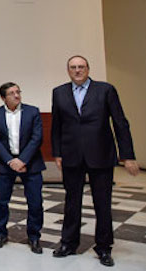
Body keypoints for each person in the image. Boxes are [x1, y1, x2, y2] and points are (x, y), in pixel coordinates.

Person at [51, 55, 138, 267]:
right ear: (68, 70)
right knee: (72, 202)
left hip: (101, 155)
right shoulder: (59, 92)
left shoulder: (106, 90)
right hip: (72, 156)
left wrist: (127, 155)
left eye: (81, 67)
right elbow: (57, 125)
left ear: (88, 69)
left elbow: (120, 123)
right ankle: (68, 243)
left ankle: (104, 247)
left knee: (102, 204)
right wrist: (57, 152)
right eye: (73, 67)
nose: (77, 70)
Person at [0, 82, 45, 254]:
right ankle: (0, 232)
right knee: (1, 200)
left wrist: (22, 160)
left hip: (30, 163)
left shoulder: (32, 111)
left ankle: (34, 236)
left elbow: (37, 138)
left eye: (18, 92)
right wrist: (10, 161)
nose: (17, 95)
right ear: (3, 97)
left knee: (35, 202)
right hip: (6, 164)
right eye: (12, 93)